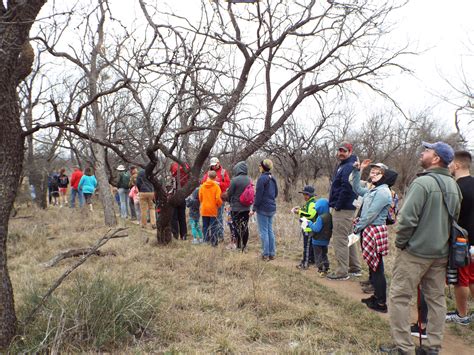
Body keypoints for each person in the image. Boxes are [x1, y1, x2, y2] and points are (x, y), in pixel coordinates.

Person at [381, 141, 462, 355]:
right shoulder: (454, 185)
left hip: (415, 253)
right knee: (436, 300)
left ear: (436, 159)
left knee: (399, 297)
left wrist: (402, 244)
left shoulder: (422, 183)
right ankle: (432, 347)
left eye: (427, 151)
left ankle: (404, 348)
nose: (423, 153)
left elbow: (407, 219)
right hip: (441, 254)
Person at [351, 160, 397, 313]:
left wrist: (357, 228)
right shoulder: (373, 190)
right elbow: (357, 188)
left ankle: (382, 303)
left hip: (374, 231)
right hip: (368, 230)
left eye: (377, 171)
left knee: (377, 268)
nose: (373, 173)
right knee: (373, 266)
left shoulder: (383, 193)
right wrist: (358, 171)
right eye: (373, 170)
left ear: (384, 175)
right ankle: (376, 297)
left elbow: (370, 215)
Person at [445, 150, 474, 325]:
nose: (449, 167)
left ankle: (461, 315)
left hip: (462, 241)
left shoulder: (456, 187)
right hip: (473, 243)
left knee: (461, 280)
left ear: (456, 165)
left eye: (450, 164)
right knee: (472, 278)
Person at [327, 141, 362, 280]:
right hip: (348, 208)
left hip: (343, 208)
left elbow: (346, 188)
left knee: (340, 239)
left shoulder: (348, 166)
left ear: (350, 152)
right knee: (348, 237)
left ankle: (342, 272)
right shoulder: (345, 165)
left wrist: (337, 205)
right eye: (340, 150)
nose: (341, 153)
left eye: (344, 151)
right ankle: (355, 268)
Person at [252, 159, 278, 261]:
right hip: (272, 208)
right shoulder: (273, 178)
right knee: (270, 230)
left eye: (260, 165)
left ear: (263, 167)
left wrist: (254, 208)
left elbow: (258, 196)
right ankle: (272, 253)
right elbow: (276, 194)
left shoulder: (262, 179)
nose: (259, 167)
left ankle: (265, 254)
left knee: (264, 231)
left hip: (263, 208)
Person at [201, 157, 230, 241]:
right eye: (212, 165)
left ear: (218, 163)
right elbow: (202, 183)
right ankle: (210, 237)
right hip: (209, 200)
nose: (213, 167)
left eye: (215, 165)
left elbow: (227, 184)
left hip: (220, 198)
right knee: (209, 219)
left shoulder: (223, 172)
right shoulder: (208, 173)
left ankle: (220, 236)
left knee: (219, 217)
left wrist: (218, 183)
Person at [224, 161, 251, 252]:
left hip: (235, 208)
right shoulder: (249, 179)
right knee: (245, 227)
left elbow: (230, 194)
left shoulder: (235, 180)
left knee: (236, 228)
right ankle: (244, 246)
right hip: (246, 208)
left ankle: (239, 246)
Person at [291, 185, 317, 269]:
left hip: (309, 229)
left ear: (310, 195)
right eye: (304, 194)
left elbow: (310, 214)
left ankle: (305, 263)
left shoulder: (312, 203)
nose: (304, 196)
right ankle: (311, 260)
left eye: (306, 194)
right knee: (310, 246)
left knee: (307, 246)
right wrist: (300, 209)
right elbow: (306, 211)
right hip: (306, 227)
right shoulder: (309, 202)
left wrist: (299, 212)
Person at [307, 198, 332, 276]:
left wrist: (309, 223)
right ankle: (326, 267)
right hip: (326, 240)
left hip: (317, 240)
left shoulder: (320, 218)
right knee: (324, 254)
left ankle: (320, 269)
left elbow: (316, 229)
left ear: (320, 208)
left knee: (318, 255)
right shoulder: (330, 216)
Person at [199, 170, 223, 246]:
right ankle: (214, 242)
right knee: (213, 226)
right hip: (213, 209)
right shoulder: (216, 186)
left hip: (204, 208)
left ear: (208, 177)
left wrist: (204, 203)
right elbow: (218, 199)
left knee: (205, 226)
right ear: (215, 177)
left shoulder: (202, 186)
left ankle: (206, 241)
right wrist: (219, 205)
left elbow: (200, 198)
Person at [170, 162, 190, 240]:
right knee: (182, 218)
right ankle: (184, 235)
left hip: (174, 199)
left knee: (174, 218)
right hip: (182, 198)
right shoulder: (185, 177)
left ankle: (175, 235)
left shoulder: (173, 177)